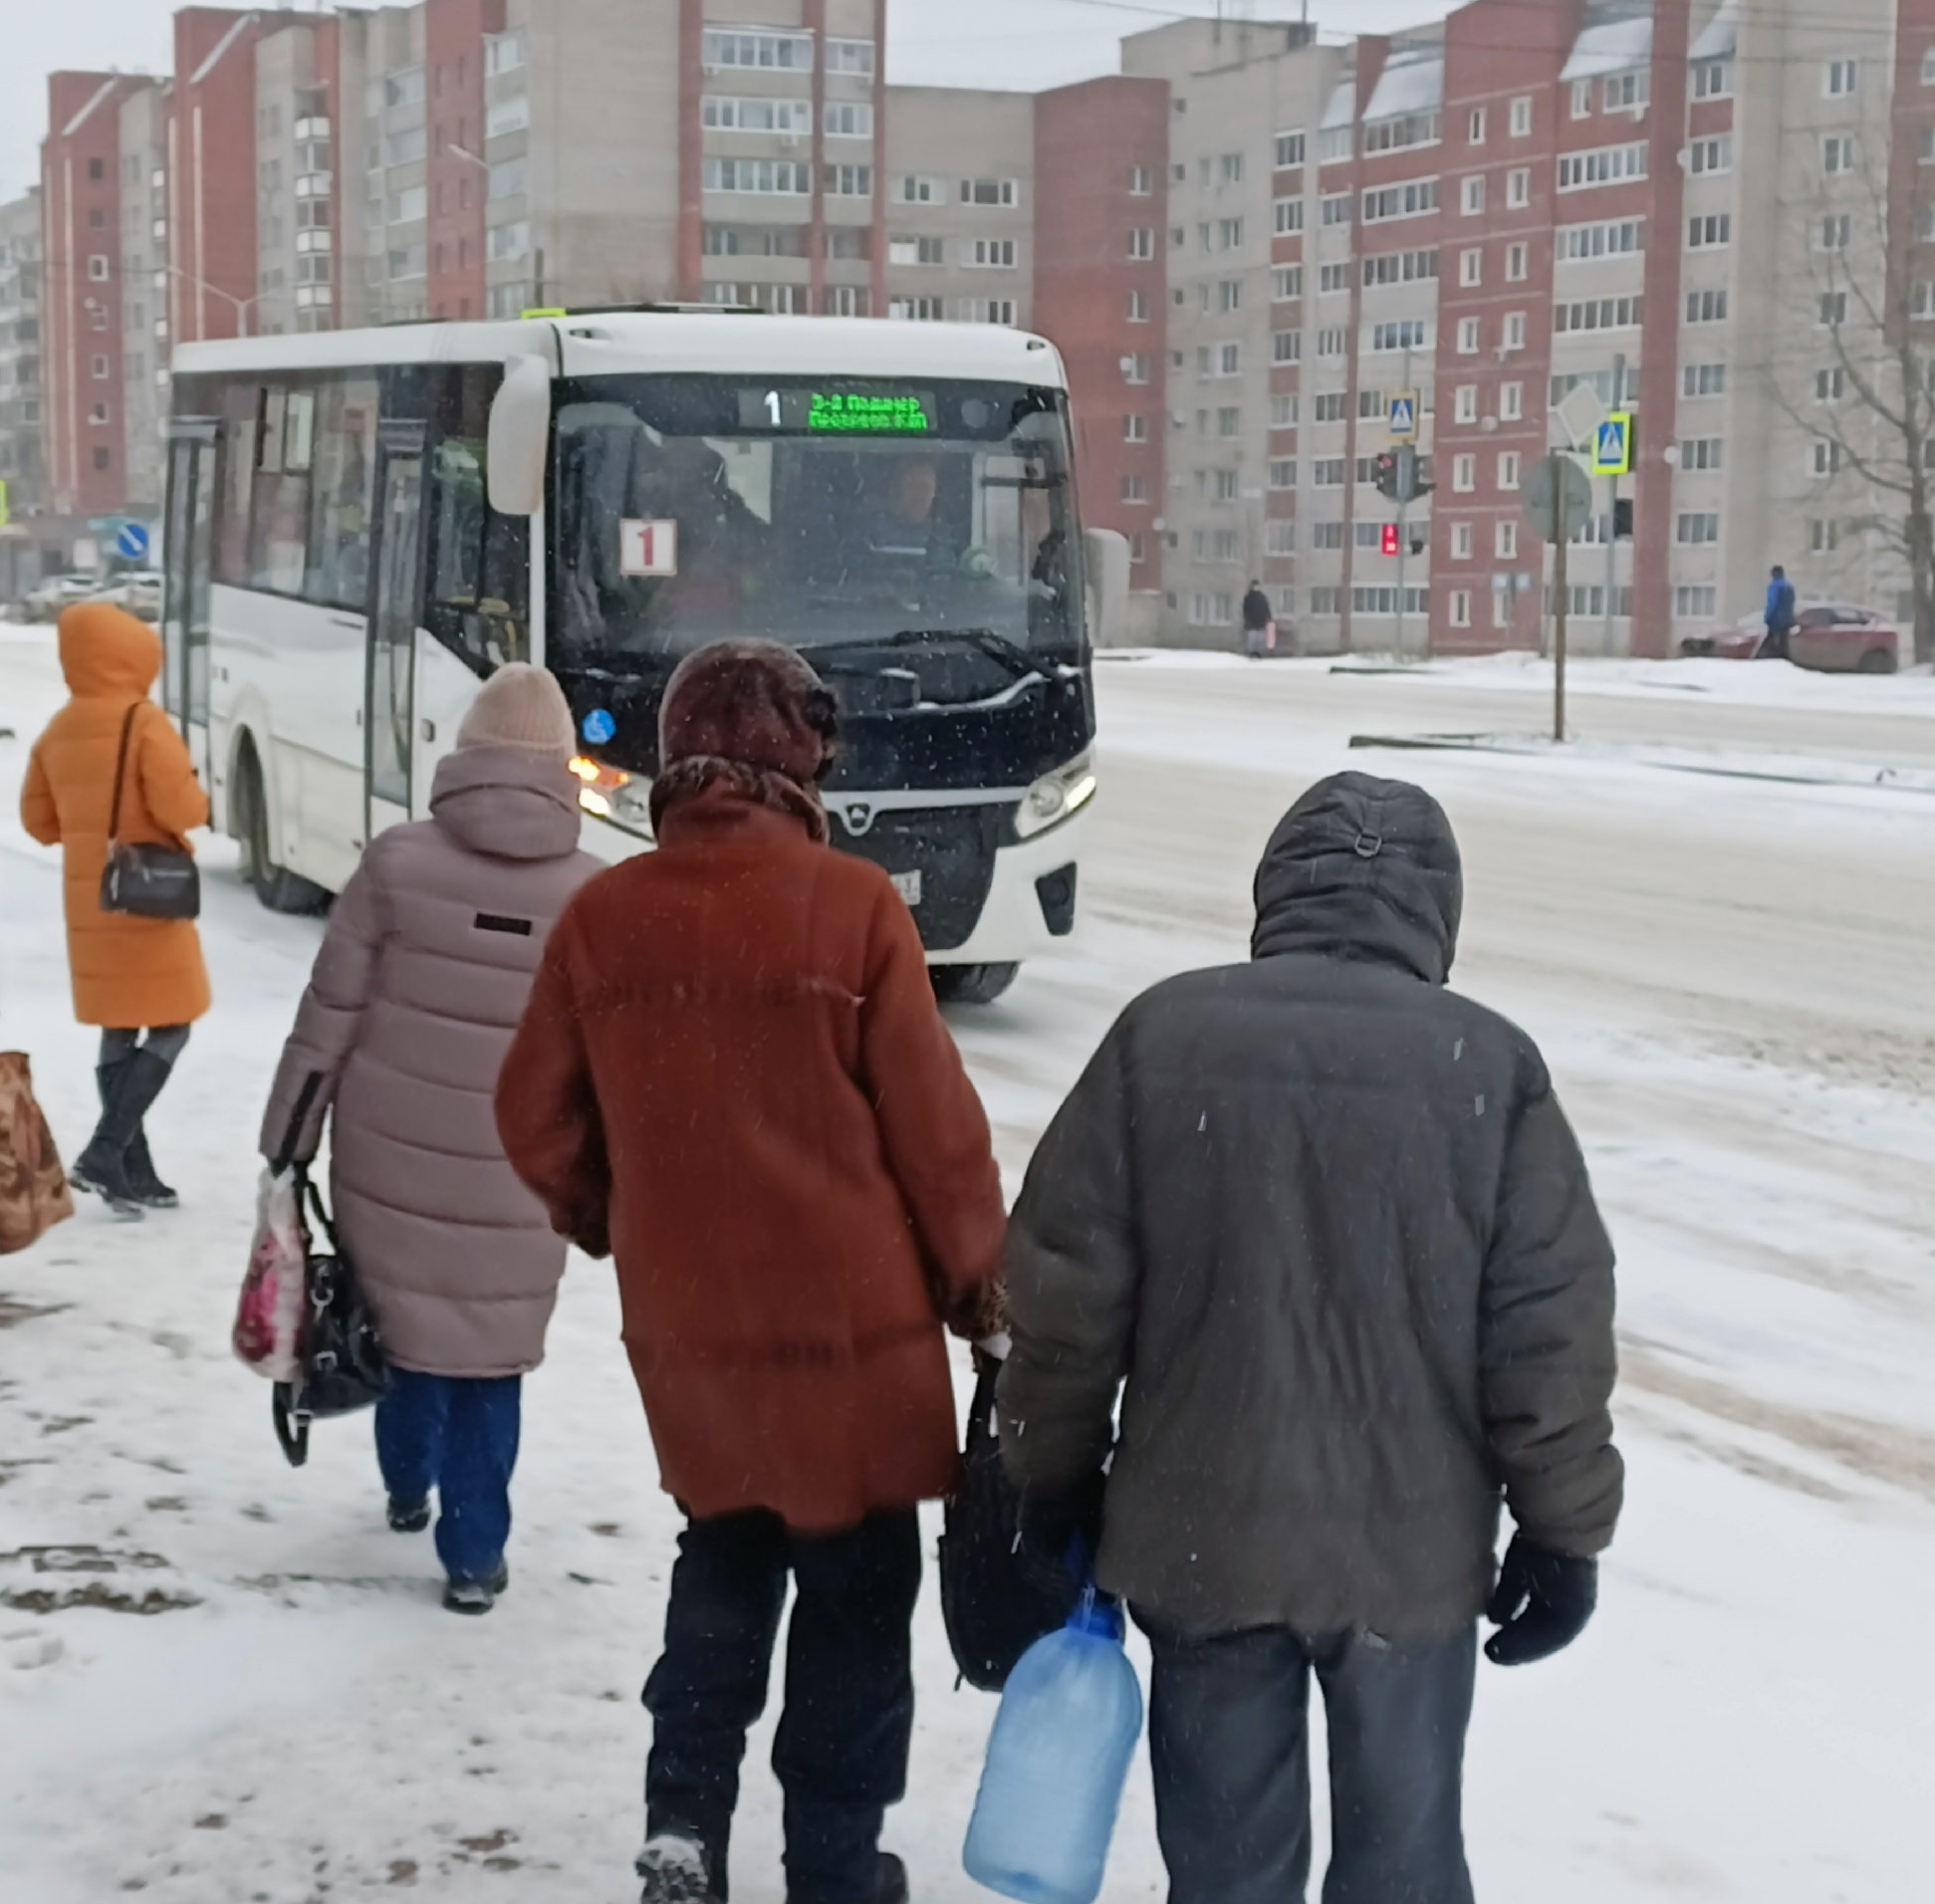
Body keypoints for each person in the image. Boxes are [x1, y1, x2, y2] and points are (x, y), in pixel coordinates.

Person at [999, 772, 1622, 1904]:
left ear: (1276, 887)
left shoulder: (1163, 1036)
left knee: (1228, 1867)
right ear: (1439, 911)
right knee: (1404, 1864)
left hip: (1206, 1537)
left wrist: (1050, 1478)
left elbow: (1062, 1300)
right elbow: (1547, 1333)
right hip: (1409, 1558)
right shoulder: (1489, 1066)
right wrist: (1561, 1533)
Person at [497, 640, 1007, 1904]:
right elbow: (935, 1138)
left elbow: (530, 1116)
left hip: (693, 1333)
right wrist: (976, 1289)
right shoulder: (853, 907)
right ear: (799, 757)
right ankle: (834, 1862)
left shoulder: (604, 916)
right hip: (853, 1341)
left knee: (721, 1554)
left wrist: (615, 1216)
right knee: (851, 1601)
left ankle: (684, 1821)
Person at [258, 664, 601, 1614]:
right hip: (524, 1176)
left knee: (402, 1325)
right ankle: (476, 1555)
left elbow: (329, 1013)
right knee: (489, 1357)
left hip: (387, 1152)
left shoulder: (397, 863)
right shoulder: (595, 894)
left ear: (468, 754)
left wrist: (287, 1140)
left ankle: (406, 1487)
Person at [21, 600, 211, 1214]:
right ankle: (104, 1151)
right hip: (146, 893)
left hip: (92, 896)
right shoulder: (145, 722)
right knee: (173, 1024)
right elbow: (181, 810)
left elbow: (38, 821)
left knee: (120, 1025)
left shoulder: (57, 728)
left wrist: (87, 827)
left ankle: (134, 1172)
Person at [1760, 564, 1797, 660]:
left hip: (1775, 619)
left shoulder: (1774, 586)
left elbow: (1773, 602)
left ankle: (1769, 658)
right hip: (1787, 619)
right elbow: (1791, 602)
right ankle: (1785, 658)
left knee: (1771, 640)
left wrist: (1768, 616)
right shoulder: (1789, 586)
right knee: (1784, 642)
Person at [1242, 578, 1276, 658]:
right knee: (1252, 639)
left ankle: (1258, 653)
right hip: (1251, 623)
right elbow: (1245, 610)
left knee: (1260, 639)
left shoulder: (1262, 597)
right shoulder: (1248, 597)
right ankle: (1251, 653)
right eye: (1254, 586)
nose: (1256, 587)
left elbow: (1266, 608)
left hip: (1261, 622)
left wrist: (1269, 618)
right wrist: (1247, 619)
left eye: (1257, 586)